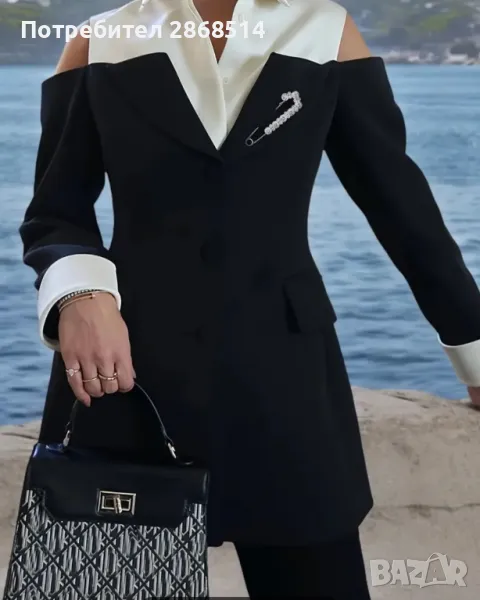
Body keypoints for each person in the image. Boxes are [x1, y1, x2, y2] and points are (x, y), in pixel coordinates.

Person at [19, 0, 480, 597]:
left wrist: (474, 354)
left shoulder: (324, 30)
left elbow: (402, 208)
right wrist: (82, 294)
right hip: (126, 378)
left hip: (287, 384)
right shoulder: (99, 41)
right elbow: (54, 214)